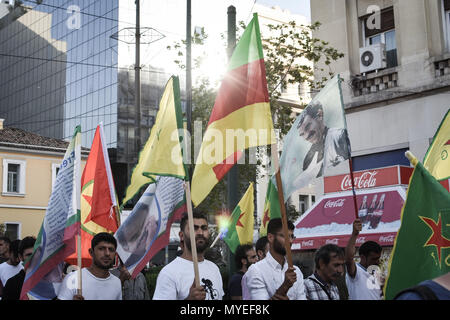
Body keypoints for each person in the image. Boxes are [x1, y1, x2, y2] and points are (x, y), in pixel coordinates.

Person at [153, 210, 224, 300]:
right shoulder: (169, 273)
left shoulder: (214, 269)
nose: (200, 233)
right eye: (194, 228)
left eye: (204, 228)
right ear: (181, 235)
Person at [293, 102, 350, 190]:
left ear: (319, 116)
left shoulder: (339, 136)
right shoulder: (308, 159)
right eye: (302, 134)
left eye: (308, 126)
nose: (307, 135)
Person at [245, 218, 306, 300]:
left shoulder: (296, 271)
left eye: (292, 236)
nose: (290, 241)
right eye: (285, 236)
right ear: (270, 237)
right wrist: (285, 286)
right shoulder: (256, 270)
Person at [57, 232, 122, 300]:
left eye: (111, 250)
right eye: (101, 249)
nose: (107, 253)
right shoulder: (74, 278)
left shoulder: (117, 282)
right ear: (91, 252)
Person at [345, 219, 383, 300]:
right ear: (362, 257)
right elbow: (348, 259)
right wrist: (354, 234)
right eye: (374, 259)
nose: (377, 262)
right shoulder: (356, 272)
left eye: (378, 258)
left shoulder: (375, 272)